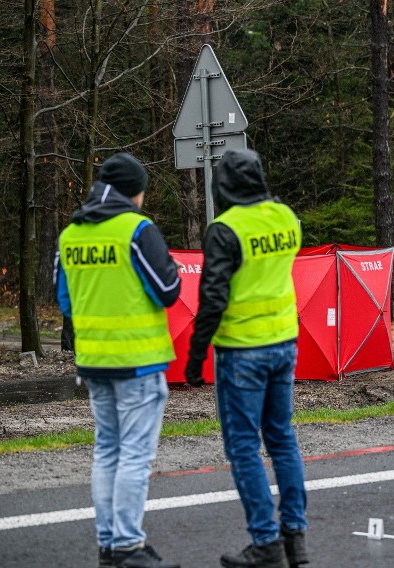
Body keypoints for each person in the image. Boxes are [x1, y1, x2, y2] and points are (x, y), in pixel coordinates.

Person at [55, 152, 181, 568]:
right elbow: (167, 289)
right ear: (135, 192)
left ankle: (109, 544)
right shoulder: (136, 229)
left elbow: (64, 302)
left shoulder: (70, 235)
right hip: (138, 362)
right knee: (134, 455)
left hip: (93, 363)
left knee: (106, 450)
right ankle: (128, 546)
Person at [185, 149, 309, 568]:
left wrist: (196, 352)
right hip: (284, 343)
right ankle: (296, 537)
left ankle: (265, 543)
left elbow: (213, 295)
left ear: (225, 186)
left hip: (241, 350)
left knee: (242, 446)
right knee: (282, 438)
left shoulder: (225, 229)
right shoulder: (287, 218)